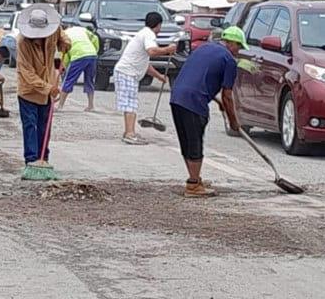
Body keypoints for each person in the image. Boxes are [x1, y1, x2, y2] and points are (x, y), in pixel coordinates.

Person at [170, 26, 246, 197]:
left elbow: (198, 79)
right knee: (195, 142)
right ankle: (193, 186)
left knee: (187, 141)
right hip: (194, 103)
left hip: (176, 97)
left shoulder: (203, 48)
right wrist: (233, 120)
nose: (238, 51)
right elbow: (228, 95)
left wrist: (215, 100)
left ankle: (194, 178)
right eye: (239, 46)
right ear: (232, 43)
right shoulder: (229, 60)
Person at [16, 5, 71, 165]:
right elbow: (27, 73)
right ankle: (31, 159)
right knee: (30, 125)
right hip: (29, 91)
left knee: (44, 126)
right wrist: (49, 88)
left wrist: (66, 44)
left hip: (48, 88)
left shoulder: (54, 29)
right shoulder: (22, 43)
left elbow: (64, 38)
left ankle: (43, 158)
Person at [113, 12, 177, 145]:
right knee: (130, 104)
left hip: (127, 72)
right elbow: (152, 51)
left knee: (130, 103)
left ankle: (129, 132)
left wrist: (159, 76)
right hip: (127, 72)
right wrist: (168, 49)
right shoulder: (148, 34)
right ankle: (130, 134)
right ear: (158, 25)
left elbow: (145, 64)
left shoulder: (143, 33)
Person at [57, 26, 99, 112]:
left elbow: (65, 53)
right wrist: (95, 50)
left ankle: (60, 106)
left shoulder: (64, 35)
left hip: (78, 56)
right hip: (92, 55)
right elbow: (95, 38)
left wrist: (63, 67)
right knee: (89, 80)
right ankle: (91, 106)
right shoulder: (82, 29)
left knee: (69, 80)